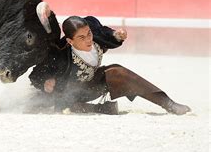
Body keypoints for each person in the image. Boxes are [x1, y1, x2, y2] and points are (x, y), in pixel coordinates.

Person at [29, 13, 191, 115]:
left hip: (91, 85)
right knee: (66, 106)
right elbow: (35, 75)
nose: (89, 39)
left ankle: (168, 104)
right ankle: (100, 109)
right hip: (68, 94)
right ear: (70, 41)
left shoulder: (92, 31)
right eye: (82, 38)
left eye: (88, 34)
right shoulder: (60, 54)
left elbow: (105, 34)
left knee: (117, 72)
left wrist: (116, 35)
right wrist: (46, 82)